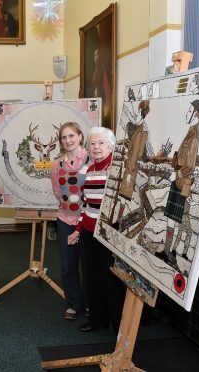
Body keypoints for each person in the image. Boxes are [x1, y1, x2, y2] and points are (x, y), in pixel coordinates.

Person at [68, 126, 125, 333]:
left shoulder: (117, 169)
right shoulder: (89, 170)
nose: (96, 147)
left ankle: (119, 326)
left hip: (109, 235)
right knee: (93, 278)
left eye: (101, 143)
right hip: (89, 233)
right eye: (92, 143)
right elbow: (85, 205)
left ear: (111, 146)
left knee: (112, 280)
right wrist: (77, 229)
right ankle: (98, 320)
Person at [50, 122, 88, 321]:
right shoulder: (57, 165)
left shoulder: (92, 160)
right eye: (64, 137)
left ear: (80, 136)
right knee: (68, 266)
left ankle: (90, 304)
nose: (68, 140)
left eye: (72, 136)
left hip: (89, 221)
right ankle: (74, 304)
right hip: (65, 220)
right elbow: (58, 192)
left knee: (89, 266)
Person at [164, 100, 199, 266]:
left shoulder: (194, 136)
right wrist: (174, 166)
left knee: (174, 219)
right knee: (170, 218)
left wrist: (178, 173)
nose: (187, 112)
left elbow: (191, 165)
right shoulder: (189, 132)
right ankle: (167, 250)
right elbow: (183, 158)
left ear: (197, 113)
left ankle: (169, 253)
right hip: (178, 179)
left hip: (182, 183)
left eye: (190, 110)